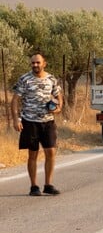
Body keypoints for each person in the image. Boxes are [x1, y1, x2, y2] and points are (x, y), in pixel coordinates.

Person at [11, 53, 64, 196]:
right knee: (32, 153)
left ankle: (48, 185)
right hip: (30, 122)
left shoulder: (51, 79)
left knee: (51, 152)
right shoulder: (25, 79)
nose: (35, 65)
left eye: (38, 62)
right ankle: (34, 186)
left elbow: (59, 98)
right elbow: (15, 100)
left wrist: (58, 109)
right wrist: (16, 119)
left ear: (44, 63)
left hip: (48, 121)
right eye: (33, 63)